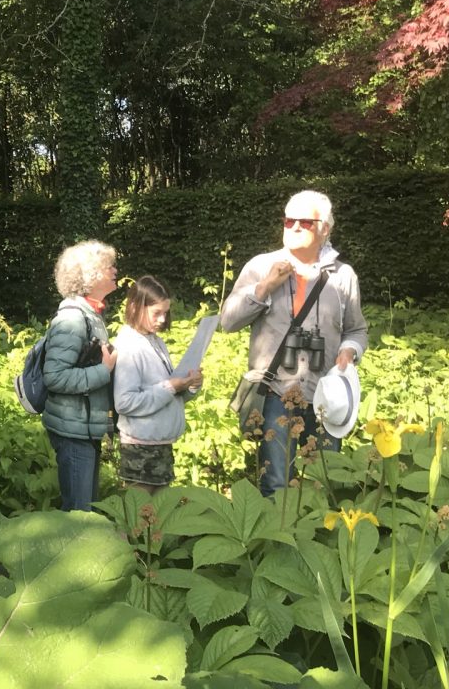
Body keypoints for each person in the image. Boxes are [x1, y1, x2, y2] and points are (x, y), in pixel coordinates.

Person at [220, 190, 369, 496]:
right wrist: (264, 288)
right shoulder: (262, 266)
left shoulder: (342, 276)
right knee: (275, 485)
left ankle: (318, 543)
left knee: (324, 483)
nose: (295, 227)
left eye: (305, 222)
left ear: (325, 228)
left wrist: (350, 350)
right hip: (276, 393)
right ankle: (277, 542)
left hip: (325, 396)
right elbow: (228, 321)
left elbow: (357, 330)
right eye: (289, 220)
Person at [42, 240, 120, 511]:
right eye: (108, 266)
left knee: (84, 512)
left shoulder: (92, 315)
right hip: (72, 432)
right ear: (89, 275)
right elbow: (54, 376)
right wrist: (104, 371)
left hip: (83, 429)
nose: (114, 270)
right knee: (78, 516)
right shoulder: (73, 320)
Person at [112, 277, 202, 491]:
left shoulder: (154, 340)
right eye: (156, 313)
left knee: (158, 515)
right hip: (140, 447)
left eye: (166, 313)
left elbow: (170, 395)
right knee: (139, 518)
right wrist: (171, 386)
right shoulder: (129, 345)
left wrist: (190, 385)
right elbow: (125, 402)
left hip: (160, 442)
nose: (162, 319)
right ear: (135, 307)